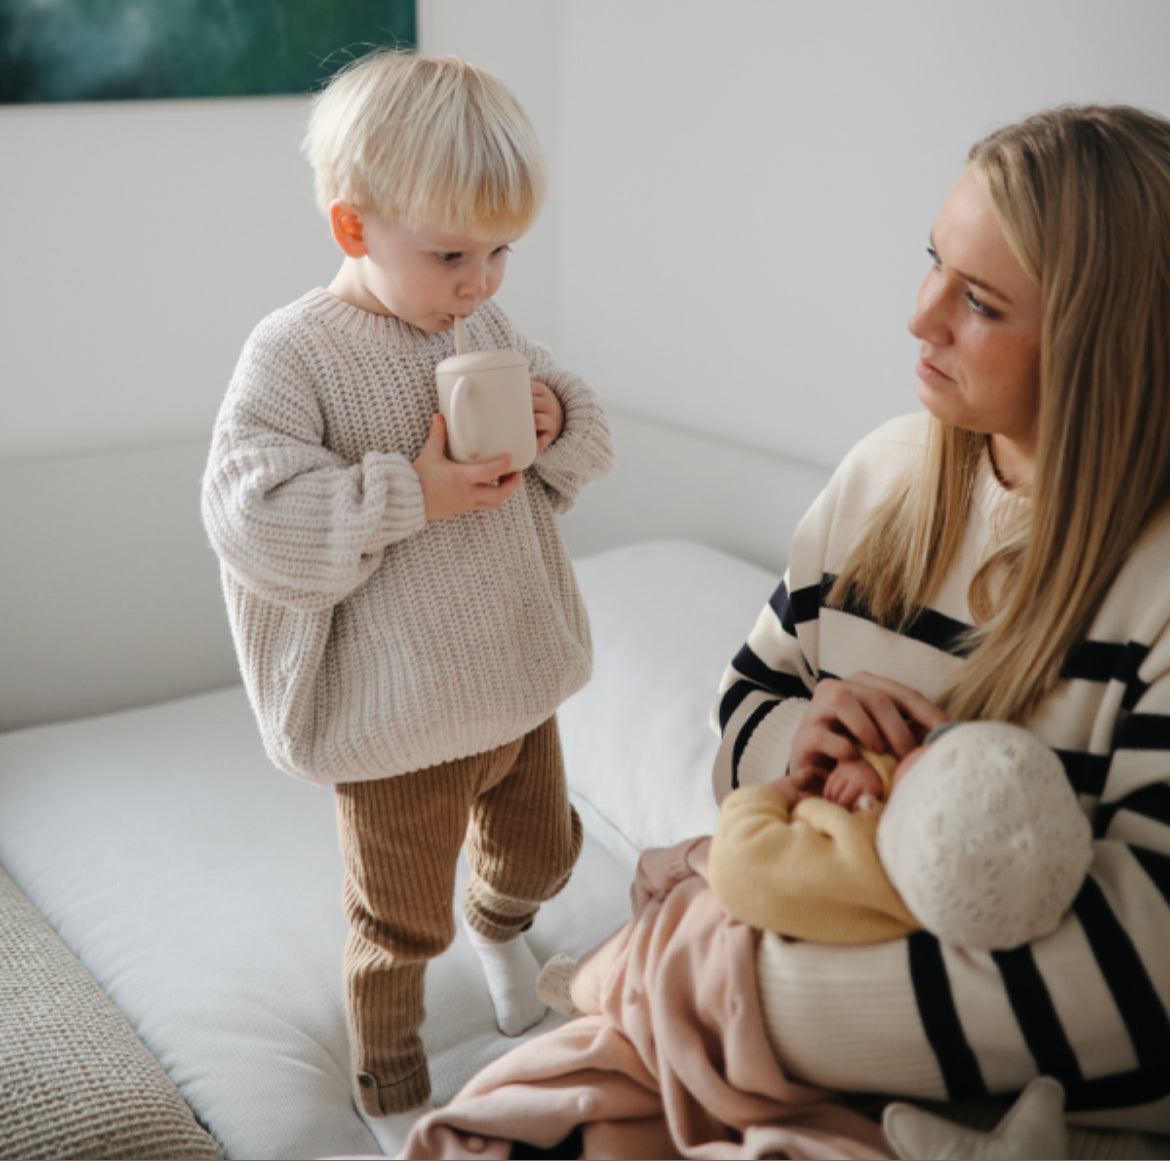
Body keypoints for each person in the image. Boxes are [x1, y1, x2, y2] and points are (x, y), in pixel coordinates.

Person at [712, 103, 1170, 1128]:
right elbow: (745, 702)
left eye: (979, 302)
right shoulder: (879, 480)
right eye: (933, 262)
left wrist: (731, 988)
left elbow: (1147, 975)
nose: (920, 316)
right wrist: (801, 743)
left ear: (1104, 348)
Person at [200, 49, 614, 1141]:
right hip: (399, 718)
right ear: (354, 230)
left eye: (501, 252)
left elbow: (578, 414)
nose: (480, 282)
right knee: (398, 924)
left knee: (544, 854)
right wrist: (406, 496)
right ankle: (391, 1082)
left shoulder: (481, 326)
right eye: (451, 255)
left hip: (513, 677)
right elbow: (248, 514)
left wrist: (554, 422)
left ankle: (504, 922)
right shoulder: (294, 354)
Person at [708, 720, 1093, 950]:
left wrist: (769, 797)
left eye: (932, 753)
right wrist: (874, 773)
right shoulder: (950, 889)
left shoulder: (860, 868)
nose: (926, 741)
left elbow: (737, 864)